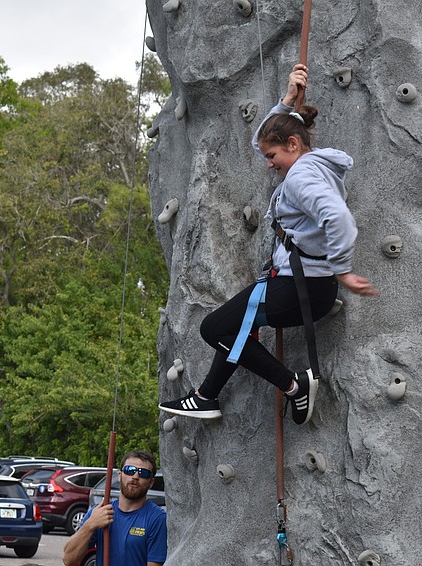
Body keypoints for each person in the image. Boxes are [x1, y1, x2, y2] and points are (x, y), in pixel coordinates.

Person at [158, 63, 378, 426]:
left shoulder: (301, 177)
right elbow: (263, 140)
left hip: (301, 287)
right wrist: (287, 100)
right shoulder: (310, 165)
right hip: (303, 285)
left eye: (272, 157)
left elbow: (337, 217)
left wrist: (343, 268)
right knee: (237, 326)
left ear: (293, 144)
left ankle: (292, 385)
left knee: (214, 329)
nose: (268, 165)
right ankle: (206, 396)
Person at [62, 450, 167, 566]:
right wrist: (90, 525)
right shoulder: (100, 512)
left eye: (144, 473)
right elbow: (68, 560)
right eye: (130, 470)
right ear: (120, 476)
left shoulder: (157, 519)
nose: (135, 476)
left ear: (151, 482)